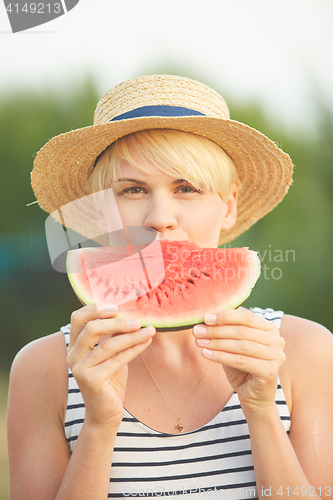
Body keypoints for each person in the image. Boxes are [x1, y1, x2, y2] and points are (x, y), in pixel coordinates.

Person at [7, 74, 333, 500]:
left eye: (186, 188)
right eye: (133, 189)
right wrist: (100, 425)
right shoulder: (44, 370)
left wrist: (262, 412)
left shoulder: (304, 352)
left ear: (229, 205)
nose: (160, 217)